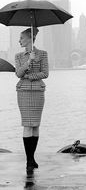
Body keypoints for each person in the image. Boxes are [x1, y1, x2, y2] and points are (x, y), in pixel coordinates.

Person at [15, 27, 49, 171]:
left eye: (22, 38)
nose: (19, 41)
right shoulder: (18, 56)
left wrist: (30, 76)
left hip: (37, 92)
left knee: (35, 125)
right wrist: (29, 61)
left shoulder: (42, 54)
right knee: (27, 125)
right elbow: (18, 73)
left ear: (30, 38)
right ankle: (29, 161)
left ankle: (32, 158)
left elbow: (45, 73)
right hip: (23, 92)